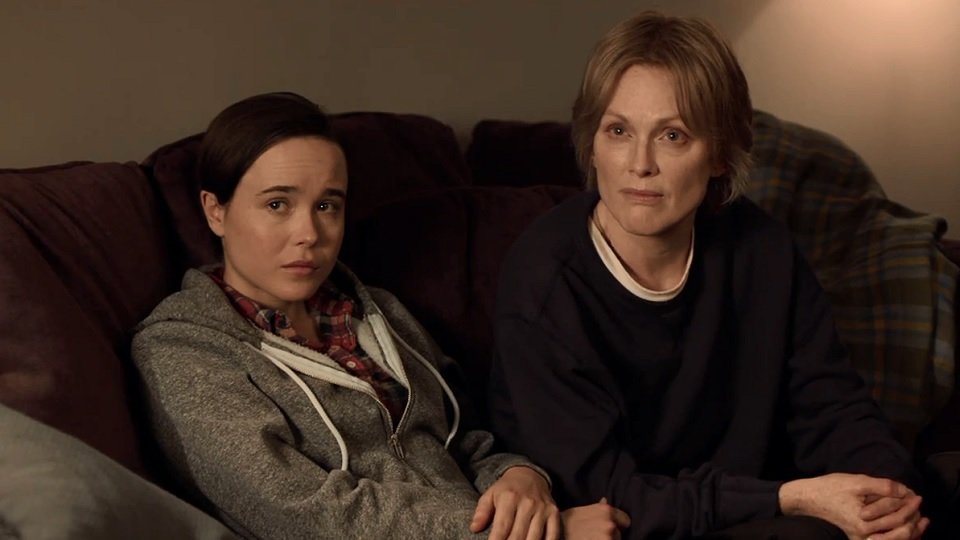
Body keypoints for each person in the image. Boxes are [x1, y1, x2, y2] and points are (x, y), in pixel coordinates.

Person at [487, 12, 929, 540]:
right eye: (618, 131)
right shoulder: (544, 282)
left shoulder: (762, 250)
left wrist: (888, 497)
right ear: (593, 144)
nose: (640, 164)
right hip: (641, 524)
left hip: (756, 509)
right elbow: (609, 497)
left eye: (672, 135)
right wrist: (792, 497)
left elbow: (835, 409)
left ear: (719, 154)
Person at [131, 92, 562, 539]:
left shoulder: (377, 311)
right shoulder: (181, 348)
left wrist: (518, 476)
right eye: (278, 204)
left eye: (326, 205)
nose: (309, 234)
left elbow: (465, 438)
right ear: (215, 211)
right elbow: (304, 512)